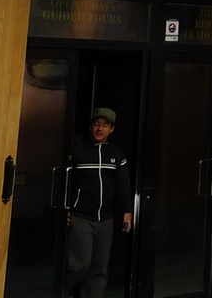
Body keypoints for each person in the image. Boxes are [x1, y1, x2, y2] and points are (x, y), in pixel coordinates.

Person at [64, 107, 132, 298]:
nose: (100, 129)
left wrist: (127, 210)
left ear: (112, 129)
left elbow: (123, 183)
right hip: (81, 217)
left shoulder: (116, 153)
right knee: (79, 265)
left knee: (99, 269)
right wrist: (65, 207)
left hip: (106, 219)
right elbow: (64, 180)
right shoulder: (78, 149)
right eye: (96, 124)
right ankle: (61, 293)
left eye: (105, 125)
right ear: (90, 126)